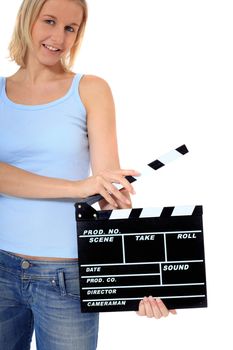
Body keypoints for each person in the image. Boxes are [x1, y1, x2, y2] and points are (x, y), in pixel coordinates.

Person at [0, 0, 176, 349]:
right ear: (26, 19)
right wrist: (78, 187)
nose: (58, 37)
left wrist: (141, 278)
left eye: (70, 28)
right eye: (49, 21)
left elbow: (109, 193)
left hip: (67, 274)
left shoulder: (90, 89)